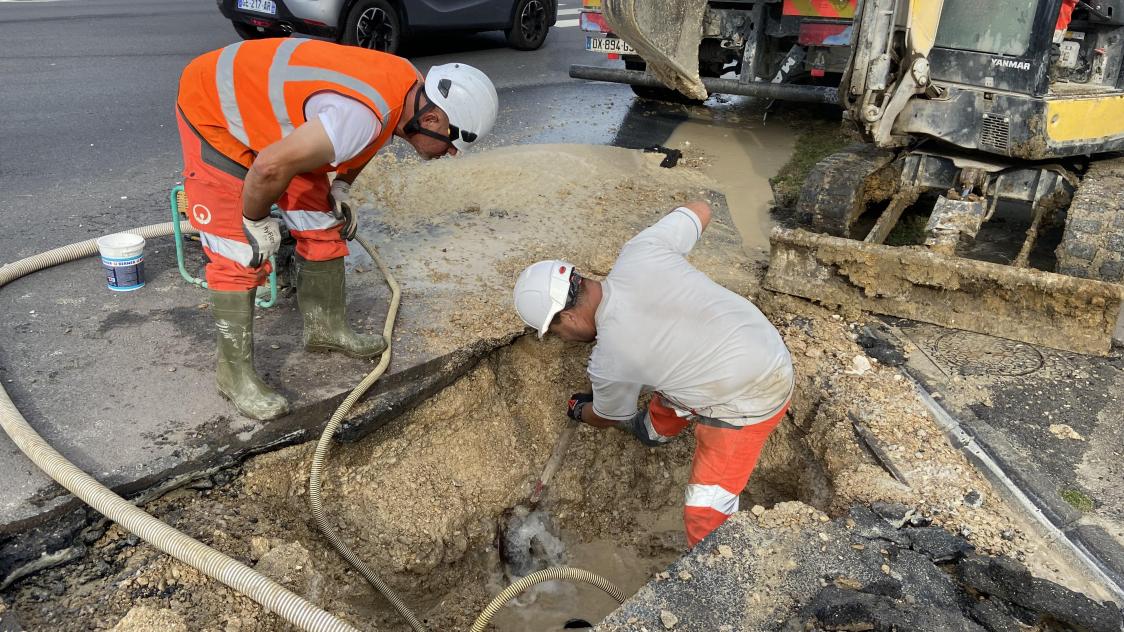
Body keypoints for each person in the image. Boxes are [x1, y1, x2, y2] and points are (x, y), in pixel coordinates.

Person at [176, 38, 497, 421]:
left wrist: (341, 184)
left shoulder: (407, 88)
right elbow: (267, 168)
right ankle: (233, 375)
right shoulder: (359, 118)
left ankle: (325, 328)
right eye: (451, 143)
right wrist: (255, 221)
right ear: (430, 120)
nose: (450, 153)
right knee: (240, 253)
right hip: (215, 107)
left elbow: (374, 136)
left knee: (323, 222)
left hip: (279, 126)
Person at [512, 201, 794, 547]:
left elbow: (605, 416)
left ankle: (718, 581)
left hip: (752, 393)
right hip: (761, 342)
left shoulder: (612, 359)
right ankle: (656, 432)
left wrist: (579, 409)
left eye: (555, 332)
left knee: (704, 513)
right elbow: (701, 209)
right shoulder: (641, 252)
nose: (563, 339)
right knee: (657, 411)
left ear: (567, 318)